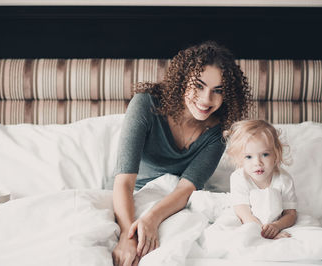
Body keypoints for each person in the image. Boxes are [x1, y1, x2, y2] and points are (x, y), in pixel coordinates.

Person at [111, 41, 252, 266]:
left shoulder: (218, 132)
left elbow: (186, 189)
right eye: (199, 85)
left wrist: (151, 219)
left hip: (175, 203)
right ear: (182, 80)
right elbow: (124, 182)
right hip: (132, 196)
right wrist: (126, 235)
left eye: (218, 91)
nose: (207, 99)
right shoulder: (145, 104)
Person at [226, 119, 297, 240]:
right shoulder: (239, 177)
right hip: (247, 221)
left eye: (265, 154)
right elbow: (244, 213)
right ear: (239, 159)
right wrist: (264, 232)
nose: (257, 163)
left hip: (276, 223)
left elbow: (290, 214)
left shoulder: (284, 179)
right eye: (248, 156)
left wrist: (276, 226)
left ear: (276, 153)